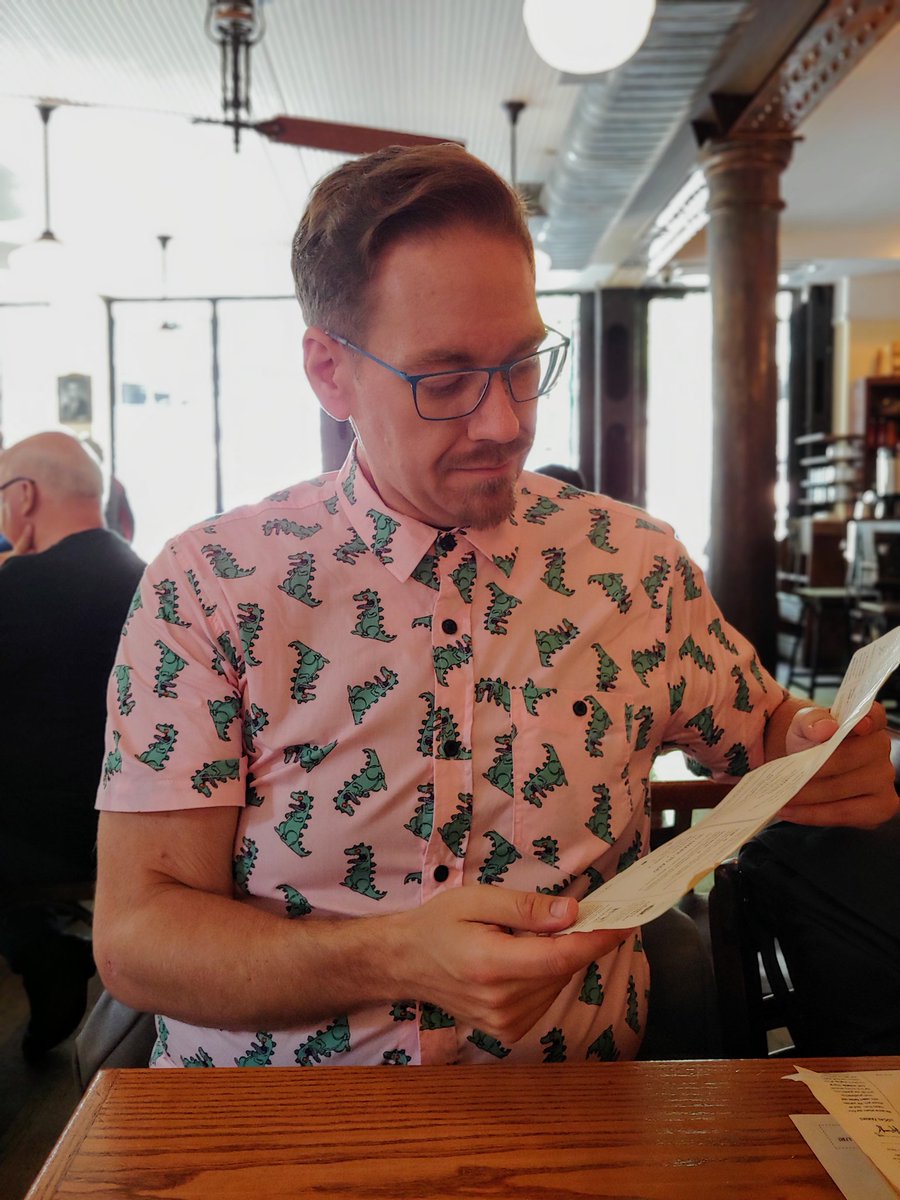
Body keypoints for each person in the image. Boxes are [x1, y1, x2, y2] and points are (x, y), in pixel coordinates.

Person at [93, 144, 897, 1070]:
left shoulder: (635, 567)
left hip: (577, 1108)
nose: (505, 423)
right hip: (274, 1117)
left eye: (522, 364)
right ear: (329, 370)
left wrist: (825, 753)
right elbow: (138, 939)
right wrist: (394, 955)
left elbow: (771, 739)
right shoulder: (211, 584)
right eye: (443, 381)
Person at [0, 431, 145, 1058]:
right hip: (137, 824)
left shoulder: (16, 588)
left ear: (23, 497)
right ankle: (47, 940)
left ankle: (42, 945)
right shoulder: (148, 578)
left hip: (40, 834)